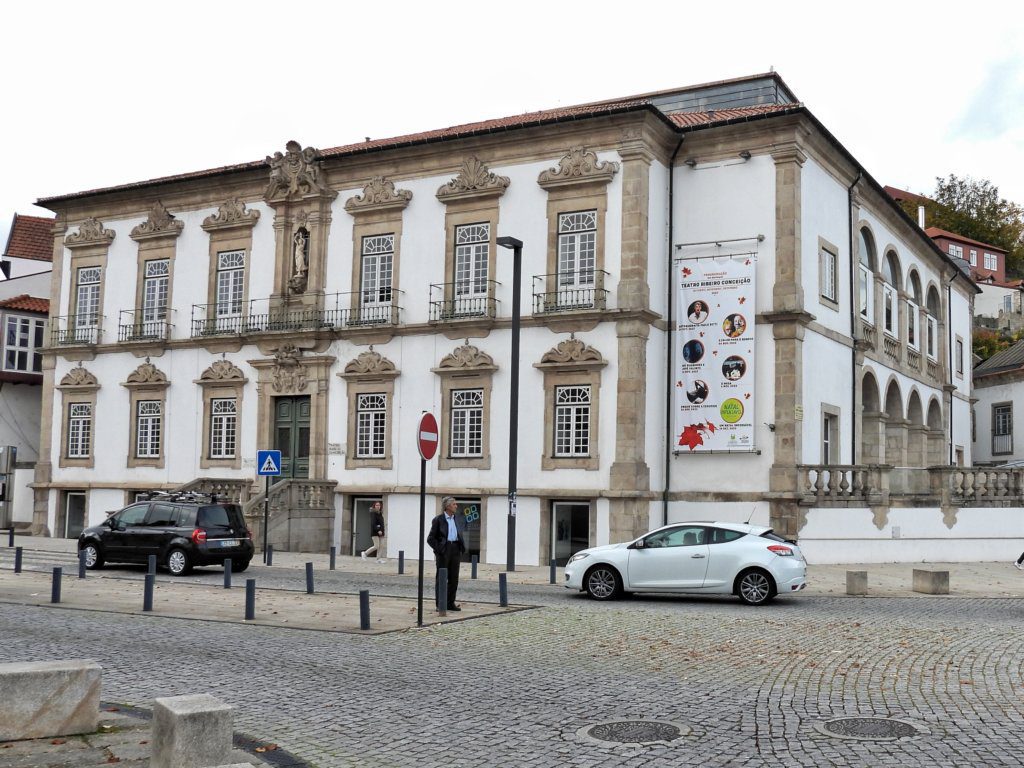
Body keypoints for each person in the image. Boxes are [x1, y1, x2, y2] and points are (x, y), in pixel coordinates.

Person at [426, 496, 467, 611]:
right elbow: (430, 539)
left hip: (455, 549)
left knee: (454, 578)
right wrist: (439, 549)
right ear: (448, 506)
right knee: (442, 578)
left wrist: (460, 547)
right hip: (444, 549)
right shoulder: (438, 520)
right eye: (454, 504)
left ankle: (450, 602)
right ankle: (440, 604)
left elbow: (459, 533)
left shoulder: (457, 518)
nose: (456, 506)